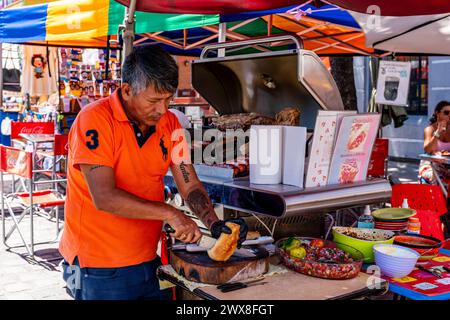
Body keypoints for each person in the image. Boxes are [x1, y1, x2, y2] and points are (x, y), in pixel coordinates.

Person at [59, 45, 248, 300]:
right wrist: (171, 214)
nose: (162, 109)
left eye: (168, 99)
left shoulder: (170, 124)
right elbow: (104, 197)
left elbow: (189, 183)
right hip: (97, 267)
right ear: (127, 90)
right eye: (154, 100)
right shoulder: (94, 120)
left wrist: (213, 224)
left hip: (149, 259)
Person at [419, 100, 450, 185]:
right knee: (441, 181)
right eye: (446, 113)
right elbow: (428, 149)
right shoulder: (429, 129)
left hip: (446, 166)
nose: (449, 115)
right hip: (430, 164)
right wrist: (438, 133)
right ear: (437, 113)